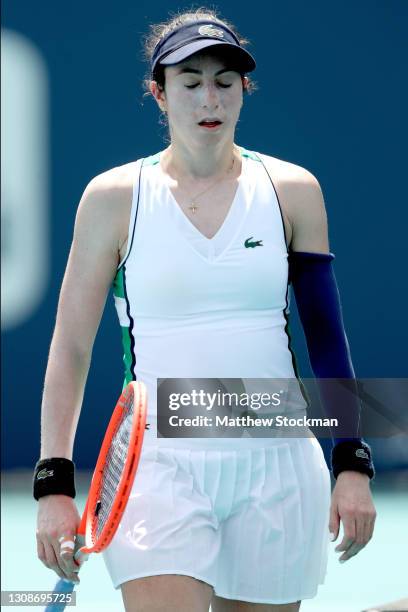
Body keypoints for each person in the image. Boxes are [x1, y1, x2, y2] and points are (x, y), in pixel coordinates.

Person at [34, 8, 377, 612]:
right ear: (159, 94)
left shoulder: (293, 190)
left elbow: (326, 336)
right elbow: (72, 347)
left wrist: (351, 460)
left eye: (224, 80)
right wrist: (53, 481)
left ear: (245, 90)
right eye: (190, 82)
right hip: (157, 462)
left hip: (277, 461)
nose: (208, 97)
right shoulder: (112, 199)